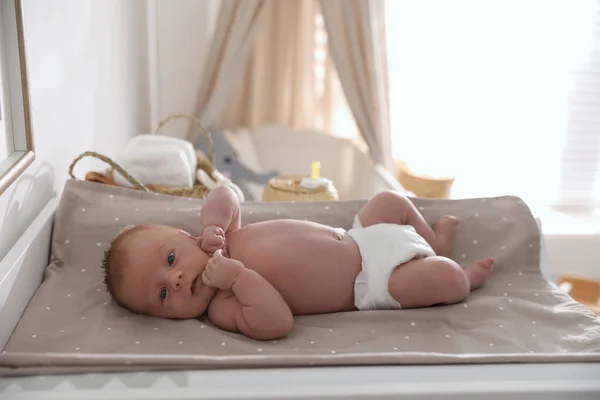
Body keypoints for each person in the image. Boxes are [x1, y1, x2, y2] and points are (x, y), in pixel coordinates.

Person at [102, 186, 494, 340]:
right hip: (372, 281)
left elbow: (227, 193)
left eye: (170, 259)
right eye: (163, 294)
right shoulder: (223, 305)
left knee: (390, 201)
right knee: (443, 278)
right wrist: (238, 277)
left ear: (185, 237)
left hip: (359, 236)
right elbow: (277, 323)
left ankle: (431, 240)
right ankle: (464, 276)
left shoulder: (223, 235)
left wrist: (213, 224)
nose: (177, 276)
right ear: (166, 318)